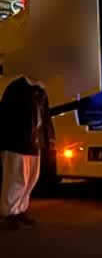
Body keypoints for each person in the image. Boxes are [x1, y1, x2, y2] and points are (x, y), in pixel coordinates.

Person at [0, 74, 53, 230]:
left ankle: (20, 208)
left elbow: (46, 117)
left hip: (33, 141)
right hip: (16, 141)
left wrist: (48, 138)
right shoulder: (17, 88)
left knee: (31, 177)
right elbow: (6, 115)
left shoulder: (40, 90)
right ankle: (9, 212)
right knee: (16, 177)